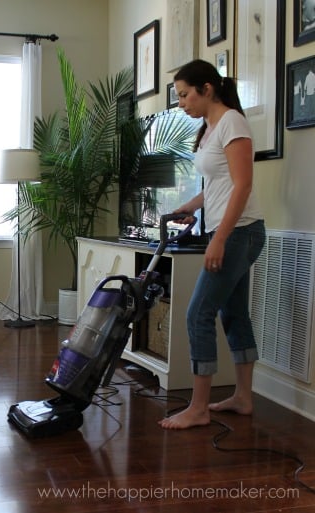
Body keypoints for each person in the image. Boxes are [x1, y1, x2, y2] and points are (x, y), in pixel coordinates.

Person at [158, 59, 265, 430]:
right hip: (229, 230)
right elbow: (219, 184)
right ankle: (243, 397)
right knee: (232, 313)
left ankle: (198, 408)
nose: (182, 103)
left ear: (207, 89)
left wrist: (218, 239)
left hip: (239, 233)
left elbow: (243, 185)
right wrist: (191, 206)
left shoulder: (232, 122)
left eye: (185, 95)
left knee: (197, 314)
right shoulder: (210, 127)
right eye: (179, 97)